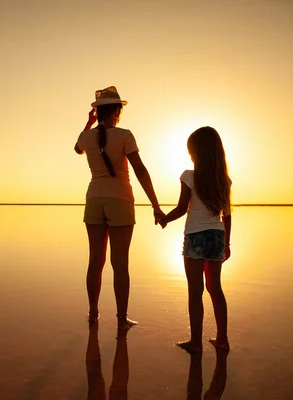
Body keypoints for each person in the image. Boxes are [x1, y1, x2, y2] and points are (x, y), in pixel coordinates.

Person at [75, 86, 164, 330]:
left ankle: (93, 314)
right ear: (117, 110)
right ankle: (121, 319)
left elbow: (77, 148)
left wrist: (88, 123)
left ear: (98, 111)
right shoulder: (125, 135)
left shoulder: (87, 137)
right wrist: (156, 205)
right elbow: (139, 169)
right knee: (120, 263)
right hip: (120, 200)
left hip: (94, 200)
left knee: (95, 261)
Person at [159, 126, 232, 352]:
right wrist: (227, 243)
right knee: (215, 289)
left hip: (195, 237)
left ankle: (196, 343)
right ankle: (222, 340)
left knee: (195, 290)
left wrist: (164, 219)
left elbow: (182, 209)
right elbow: (226, 215)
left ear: (197, 152)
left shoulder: (189, 176)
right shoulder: (224, 180)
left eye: (191, 150)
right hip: (217, 236)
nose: (190, 155)